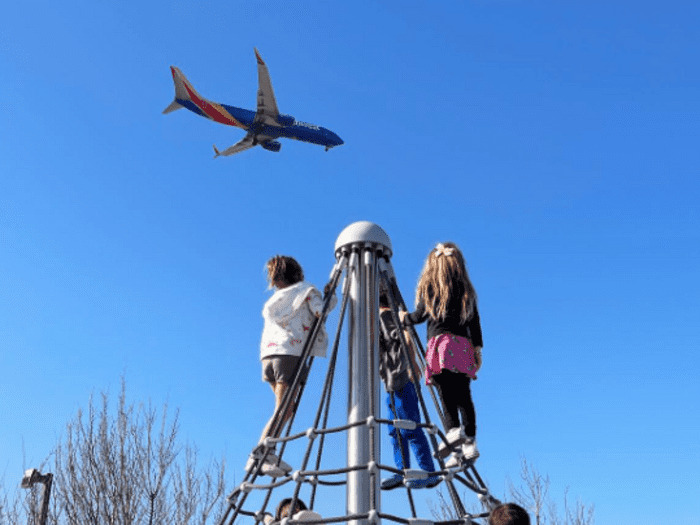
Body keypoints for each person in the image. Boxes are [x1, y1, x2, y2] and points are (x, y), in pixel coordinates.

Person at [247, 256, 336, 477]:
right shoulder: (306, 291)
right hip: (289, 354)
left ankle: (268, 450)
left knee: (285, 410)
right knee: (285, 409)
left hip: (268, 357)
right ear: (298, 273)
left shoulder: (276, 300)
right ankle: (261, 453)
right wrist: (330, 295)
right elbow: (321, 311)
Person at [400, 242, 483, 467]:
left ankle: (454, 433)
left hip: (441, 346)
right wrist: (477, 349)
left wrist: (403, 318)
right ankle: (469, 444)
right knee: (464, 396)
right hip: (463, 346)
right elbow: (475, 323)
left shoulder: (431, 288)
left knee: (446, 396)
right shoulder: (466, 291)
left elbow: (418, 315)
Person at [378, 290, 441, 490]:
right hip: (391, 382)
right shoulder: (384, 317)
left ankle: (428, 471)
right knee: (396, 430)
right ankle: (402, 469)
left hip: (399, 379)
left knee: (410, 427)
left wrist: (411, 363)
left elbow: (405, 339)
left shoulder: (386, 316)